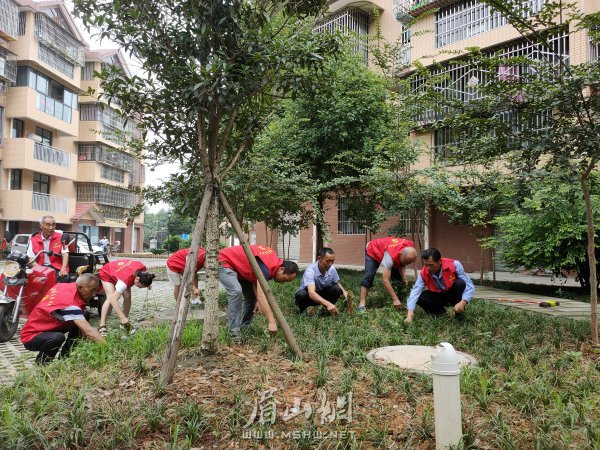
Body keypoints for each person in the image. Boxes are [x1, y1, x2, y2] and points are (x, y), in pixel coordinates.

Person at [20, 273, 105, 365]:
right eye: (92, 290)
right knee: (57, 337)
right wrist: (108, 347)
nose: (94, 295)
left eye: (96, 291)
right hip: (32, 336)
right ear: (80, 287)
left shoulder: (67, 286)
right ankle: (43, 364)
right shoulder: (69, 303)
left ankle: (65, 356)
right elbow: (89, 331)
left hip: (51, 325)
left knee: (84, 315)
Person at [218, 244, 298, 339]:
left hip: (240, 268)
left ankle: (245, 327)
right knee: (236, 292)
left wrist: (257, 300)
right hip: (224, 261)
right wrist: (271, 321)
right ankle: (233, 332)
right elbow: (262, 296)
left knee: (252, 298)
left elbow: (255, 280)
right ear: (282, 269)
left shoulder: (272, 262)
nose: (282, 283)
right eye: (285, 279)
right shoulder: (267, 268)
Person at [404, 248, 475, 324]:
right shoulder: (423, 273)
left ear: (439, 261)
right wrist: (409, 315)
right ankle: (440, 314)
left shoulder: (454, 265)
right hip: (439, 296)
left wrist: (463, 302)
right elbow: (415, 291)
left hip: (453, 295)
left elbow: (469, 285)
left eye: (431, 265)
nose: (428, 268)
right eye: (426, 265)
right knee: (421, 297)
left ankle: (458, 313)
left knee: (460, 283)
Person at [358, 237, 417, 312]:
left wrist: (404, 278)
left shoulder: (409, 248)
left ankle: (400, 300)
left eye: (408, 263)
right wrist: (394, 299)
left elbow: (401, 264)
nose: (406, 264)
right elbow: (385, 280)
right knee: (369, 276)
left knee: (398, 279)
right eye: (405, 262)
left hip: (389, 250)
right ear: (400, 255)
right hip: (373, 250)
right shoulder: (390, 257)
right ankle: (362, 304)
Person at [97, 260, 155, 336]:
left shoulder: (141, 269)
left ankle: (124, 323)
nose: (139, 288)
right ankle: (102, 325)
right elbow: (113, 301)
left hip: (120, 273)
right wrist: (121, 317)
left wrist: (148, 284)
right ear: (137, 279)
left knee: (127, 296)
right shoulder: (124, 282)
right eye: (140, 286)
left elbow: (146, 278)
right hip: (107, 272)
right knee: (110, 297)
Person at [295, 247, 348, 315]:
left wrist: (344, 292)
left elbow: (336, 282)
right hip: (309, 297)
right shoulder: (310, 271)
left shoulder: (332, 269)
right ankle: (303, 311)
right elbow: (311, 293)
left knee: (337, 289)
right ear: (319, 258)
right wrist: (328, 304)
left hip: (322, 294)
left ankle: (325, 312)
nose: (330, 264)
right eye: (327, 261)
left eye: (332, 261)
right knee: (301, 294)